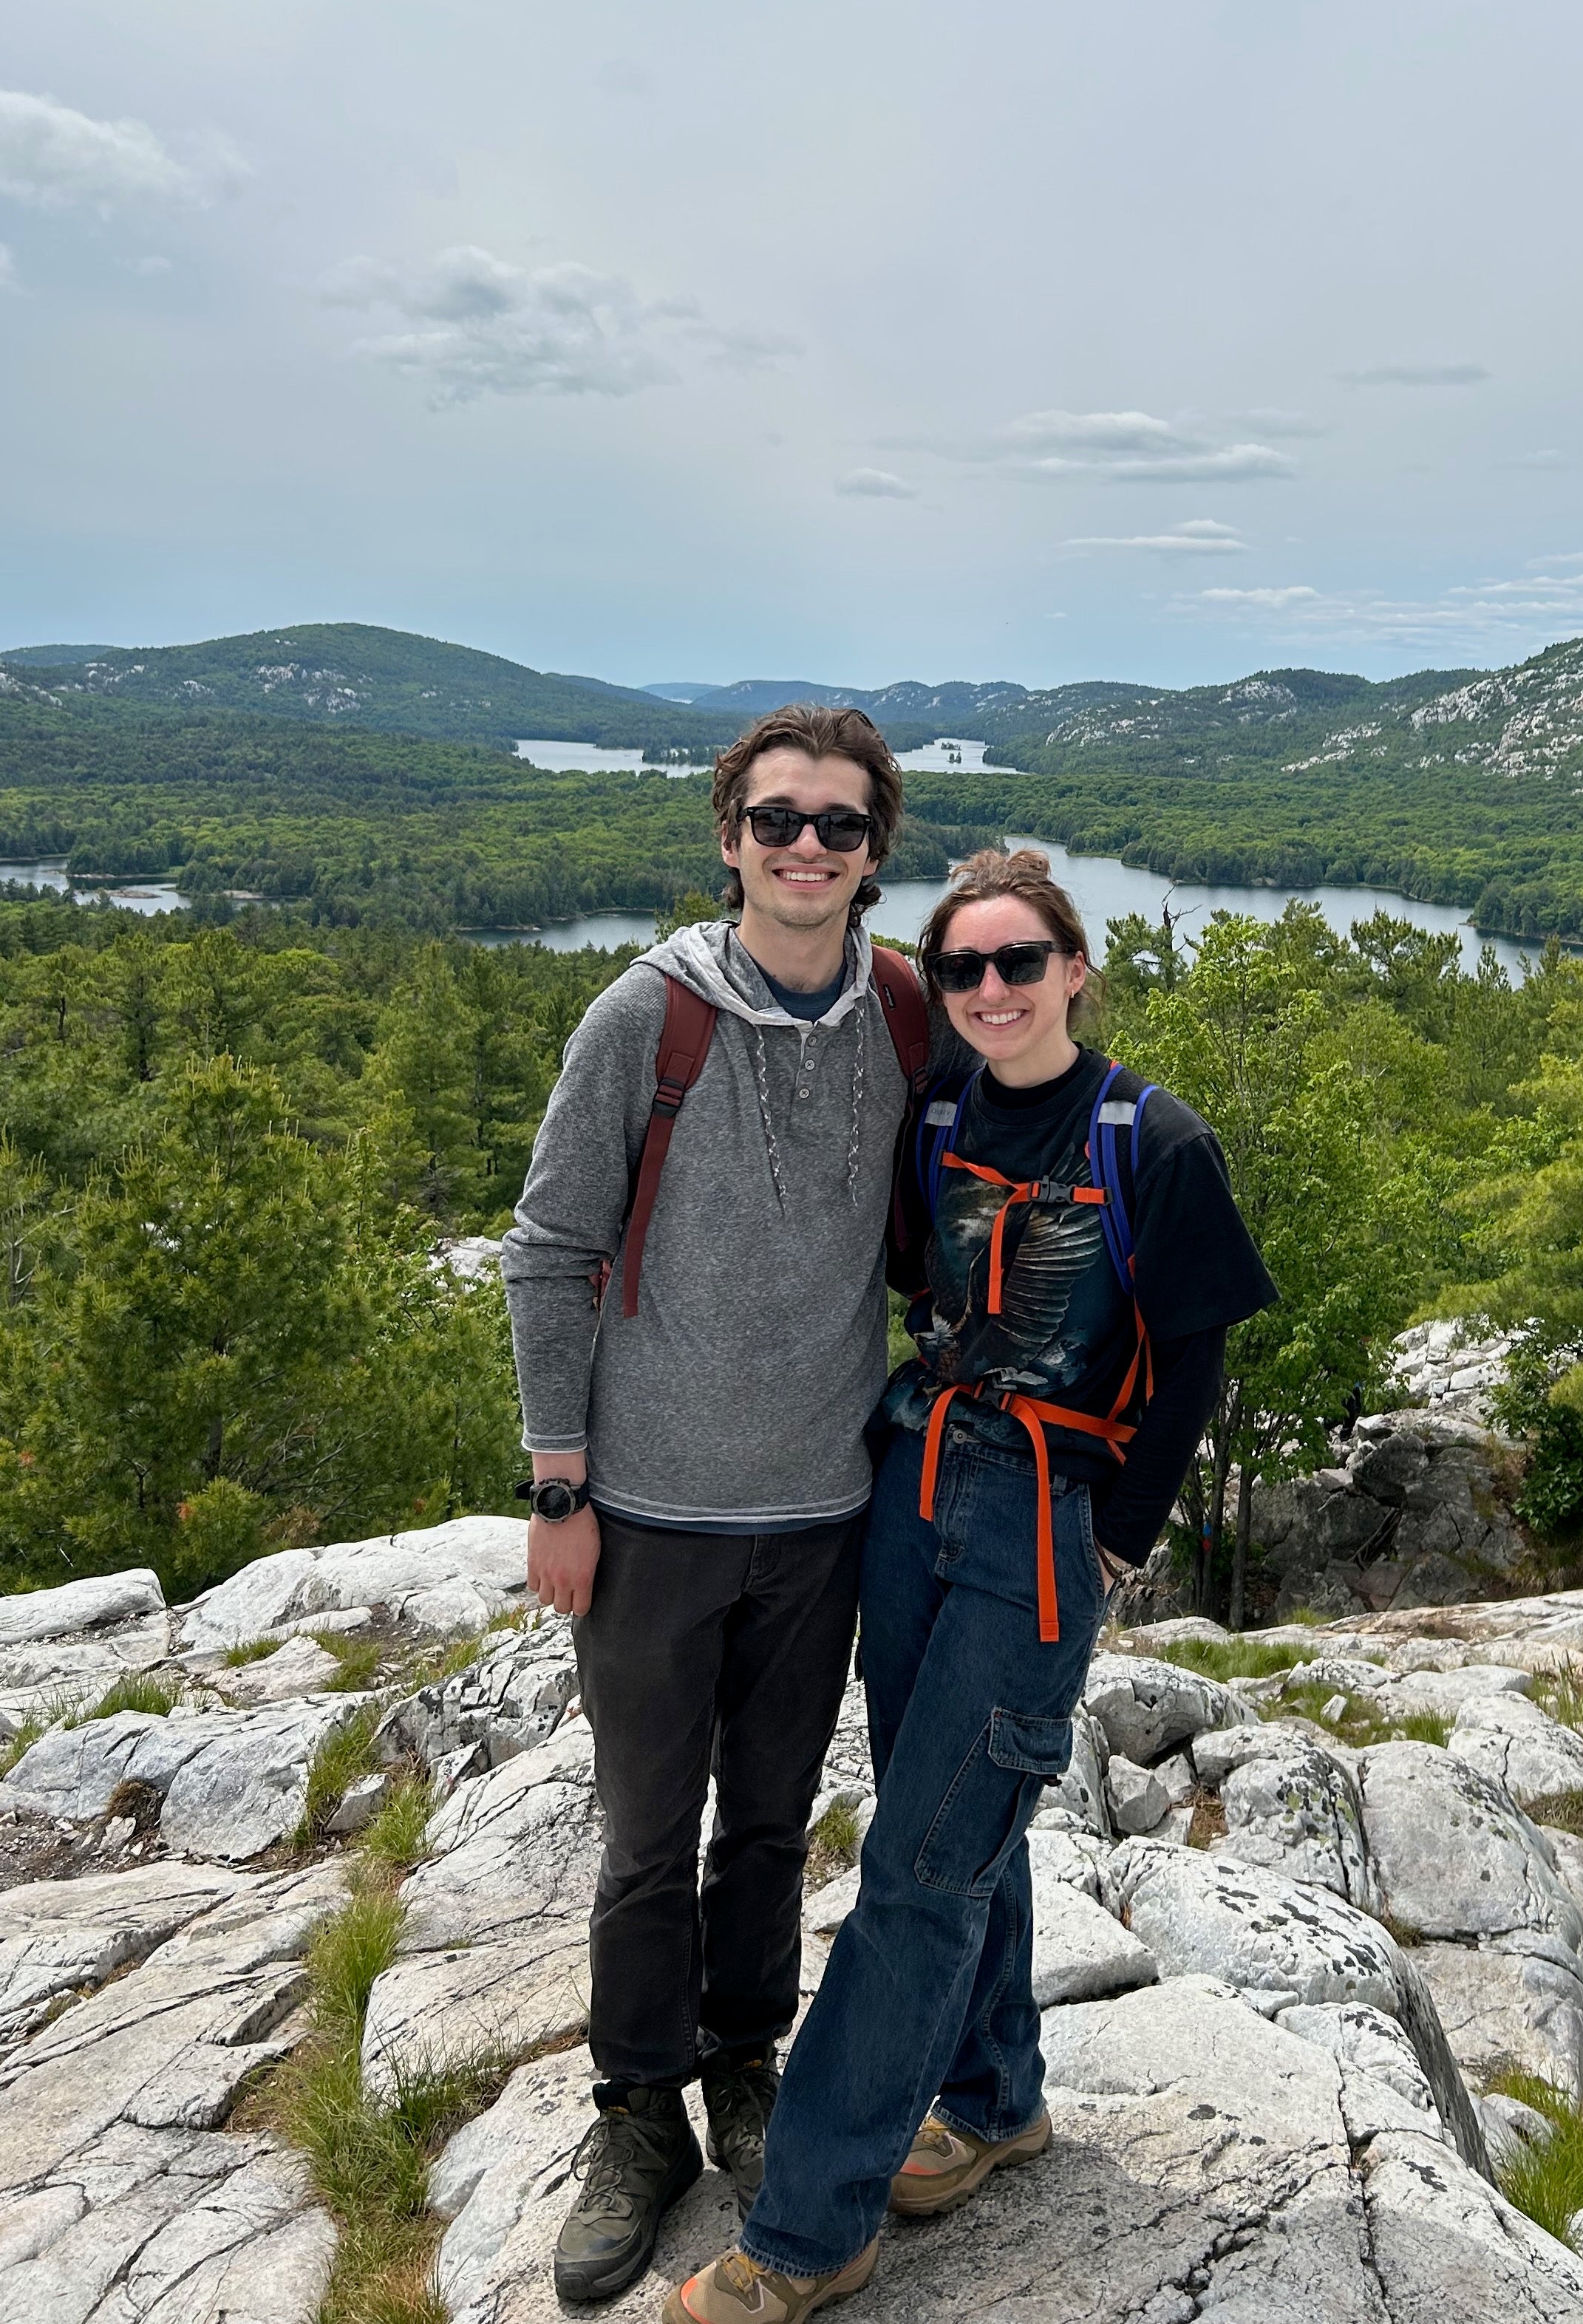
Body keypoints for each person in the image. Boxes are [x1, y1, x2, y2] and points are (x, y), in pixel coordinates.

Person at [667, 848, 1276, 2324]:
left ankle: (811, 2231)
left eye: (1021, 962)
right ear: (939, 991)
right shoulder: (937, 1107)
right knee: (953, 1816)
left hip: (1042, 1527)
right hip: (915, 1488)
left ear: (1075, 969)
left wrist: (1119, 1538)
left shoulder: (1156, 1139)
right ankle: (996, 2093)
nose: (992, 990)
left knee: (917, 1873)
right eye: (964, 969)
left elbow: (1191, 1358)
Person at [502, 703, 924, 2308]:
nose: (804, 848)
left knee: (766, 1824)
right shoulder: (646, 1016)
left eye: (837, 824)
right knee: (639, 1840)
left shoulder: (901, 1013)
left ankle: (744, 2065)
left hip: (821, 1512)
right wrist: (559, 1484)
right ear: (727, 835)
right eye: (776, 820)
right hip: (655, 1513)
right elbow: (549, 1247)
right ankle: (635, 2113)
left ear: (876, 853)